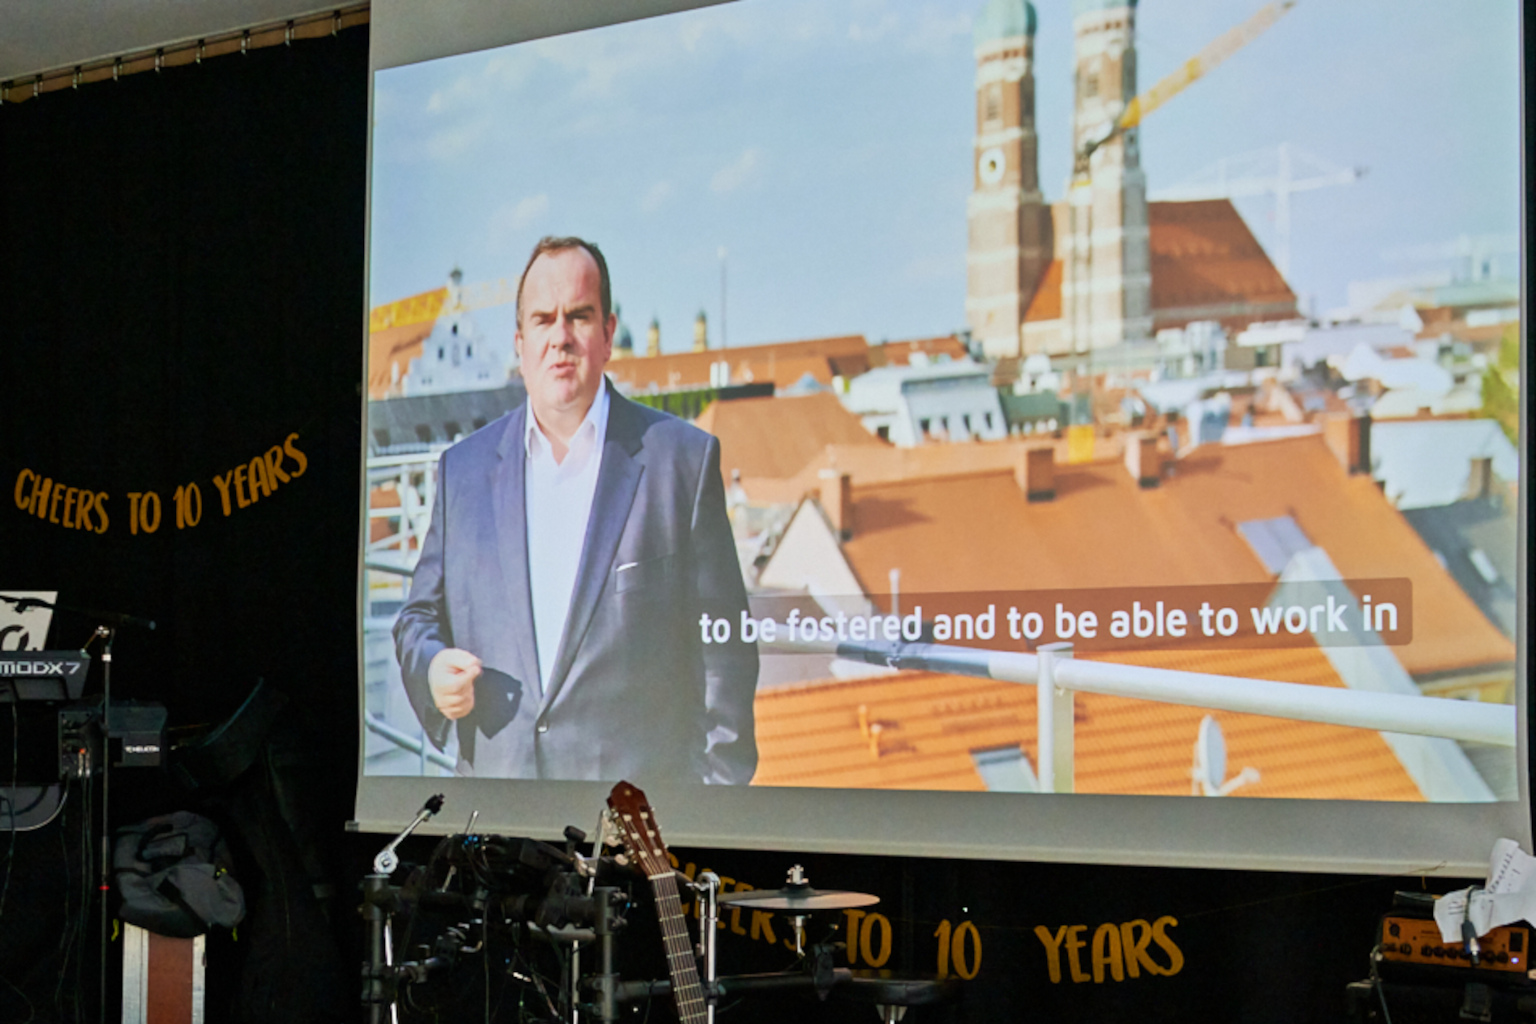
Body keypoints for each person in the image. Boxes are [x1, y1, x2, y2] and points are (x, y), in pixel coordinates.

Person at [392, 236, 758, 783]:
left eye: (579, 317)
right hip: (500, 827)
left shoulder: (681, 462)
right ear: (520, 343)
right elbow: (417, 618)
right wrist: (431, 669)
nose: (560, 337)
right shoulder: (462, 472)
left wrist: (709, 812)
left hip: (633, 833)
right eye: (543, 320)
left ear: (609, 334)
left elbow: (725, 651)